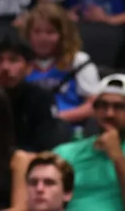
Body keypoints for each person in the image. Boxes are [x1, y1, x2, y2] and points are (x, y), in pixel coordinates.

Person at [0, 32, 70, 152]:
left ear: (29, 67)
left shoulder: (41, 98)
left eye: (13, 60)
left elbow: (46, 145)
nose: (5, 67)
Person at [54, 74, 125, 210]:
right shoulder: (66, 153)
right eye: (103, 105)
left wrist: (117, 157)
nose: (109, 114)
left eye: (119, 107)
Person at [23, 2, 100, 126]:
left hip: (71, 129)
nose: (43, 38)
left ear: (63, 35)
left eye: (50, 32)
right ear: (28, 34)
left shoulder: (78, 61)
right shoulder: (20, 63)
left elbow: (94, 106)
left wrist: (55, 118)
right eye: (37, 32)